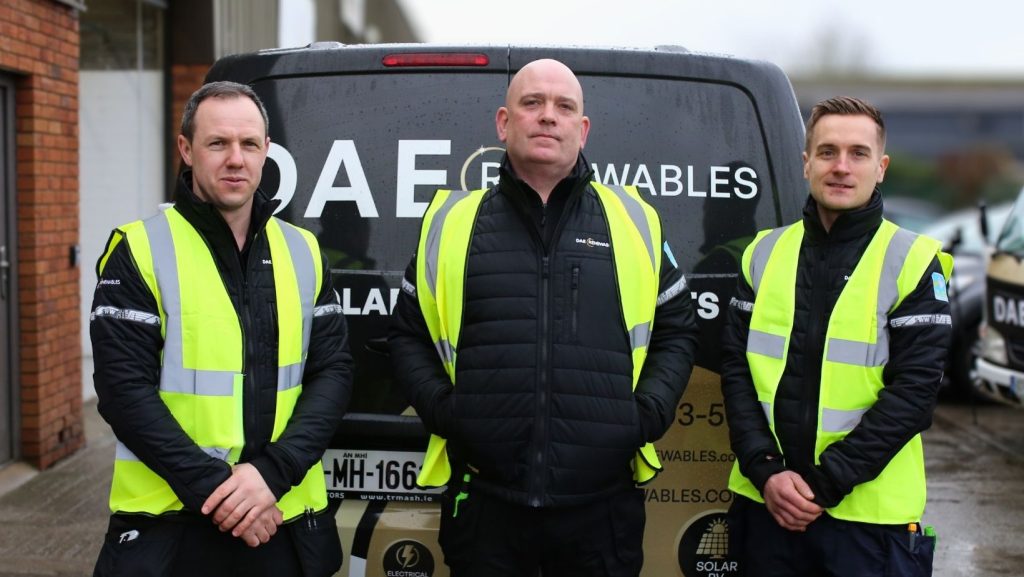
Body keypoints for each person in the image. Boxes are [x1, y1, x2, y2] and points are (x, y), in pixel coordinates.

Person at [388, 58, 700, 576]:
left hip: (601, 512)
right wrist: (450, 412)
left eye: (564, 107)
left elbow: (676, 329)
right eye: (532, 103)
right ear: (504, 123)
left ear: (582, 130)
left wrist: (642, 416)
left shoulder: (634, 219)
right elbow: (407, 334)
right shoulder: (450, 222)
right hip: (486, 506)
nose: (547, 116)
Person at [90, 81, 352, 577]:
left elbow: (333, 373)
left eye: (249, 144)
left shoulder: (304, 250)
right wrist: (223, 492)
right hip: (174, 526)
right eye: (218, 143)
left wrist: (271, 475)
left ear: (267, 151)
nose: (236, 158)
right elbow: (124, 392)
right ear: (187, 150)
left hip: (283, 516)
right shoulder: (140, 249)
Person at [721, 96, 952, 576]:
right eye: (827, 152)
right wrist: (765, 470)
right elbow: (737, 372)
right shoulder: (764, 254)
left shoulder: (912, 260)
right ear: (806, 164)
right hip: (766, 508)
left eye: (858, 153)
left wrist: (825, 486)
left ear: (881, 167)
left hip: (867, 524)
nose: (841, 167)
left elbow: (914, 393)